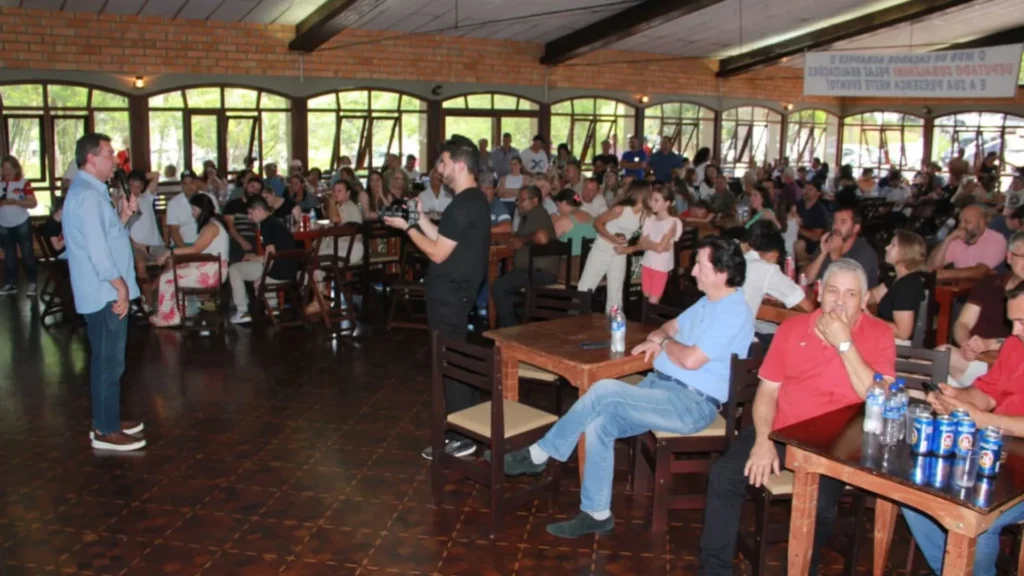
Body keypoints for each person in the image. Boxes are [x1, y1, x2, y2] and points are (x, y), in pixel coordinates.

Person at [498, 236, 754, 538]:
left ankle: (541, 453)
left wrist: (666, 343)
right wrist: (659, 337)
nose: (693, 272)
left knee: (604, 389)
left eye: (700, 265)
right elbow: (671, 325)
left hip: (691, 405)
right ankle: (596, 513)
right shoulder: (708, 302)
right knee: (600, 424)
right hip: (662, 389)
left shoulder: (733, 312)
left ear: (722, 273)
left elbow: (691, 360)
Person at [699, 258, 896, 574]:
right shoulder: (792, 329)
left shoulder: (879, 334)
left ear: (865, 299)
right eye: (833, 291)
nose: (840, 302)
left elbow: (880, 399)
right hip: (783, 431)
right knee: (723, 475)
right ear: (819, 292)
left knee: (819, 505)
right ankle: (714, 570)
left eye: (850, 294)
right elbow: (767, 392)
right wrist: (763, 439)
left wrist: (844, 343)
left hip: (837, 445)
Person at [382, 135, 491, 461]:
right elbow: (445, 238)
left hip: (450, 295)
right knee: (454, 358)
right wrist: (418, 218)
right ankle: (470, 425)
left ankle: (461, 438)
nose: (438, 169)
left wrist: (406, 228)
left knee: (449, 362)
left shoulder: (463, 204)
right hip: (456, 295)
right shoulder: (471, 201)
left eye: (442, 162)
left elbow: (438, 252)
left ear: (459, 165)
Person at [905, 283, 1024, 576]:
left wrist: (983, 420)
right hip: (1002, 454)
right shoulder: (1015, 346)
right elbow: (987, 393)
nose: (1016, 331)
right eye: (1014, 322)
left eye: (1023, 321)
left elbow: (986, 415)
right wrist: (956, 397)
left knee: (976, 524)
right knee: (916, 496)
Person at [62, 133, 145, 451]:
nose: (116, 160)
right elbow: (97, 251)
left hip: (101, 290)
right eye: (110, 154)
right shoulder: (89, 196)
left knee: (106, 359)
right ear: (91, 159)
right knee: (110, 361)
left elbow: (106, 238)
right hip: (104, 292)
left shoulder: (90, 192)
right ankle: (106, 430)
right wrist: (120, 285)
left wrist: (123, 217)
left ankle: (105, 418)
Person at [938, 230, 1024, 387]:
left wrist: (991, 344)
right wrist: (967, 344)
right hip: (978, 362)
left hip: (1012, 370)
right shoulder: (990, 284)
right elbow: (963, 323)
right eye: (1023, 256)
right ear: (1009, 257)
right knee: (940, 356)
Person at [148, 194, 230, 328]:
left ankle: (167, 317)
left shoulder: (211, 227)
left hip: (213, 272)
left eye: (194, 210)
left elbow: (196, 249)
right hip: (210, 268)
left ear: (203, 209)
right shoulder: (213, 224)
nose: (192, 214)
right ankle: (176, 313)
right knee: (171, 272)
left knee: (168, 278)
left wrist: (170, 251)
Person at [737, 224, 814, 349]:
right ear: (774, 253)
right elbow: (807, 306)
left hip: (723, 335)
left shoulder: (737, 259)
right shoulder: (767, 269)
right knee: (789, 339)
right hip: (742, 345)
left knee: (770, 328)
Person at [490, 185, 558, 327]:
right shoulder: (528, 216)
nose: (518, 203)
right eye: (518, 199)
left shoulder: (538, 213)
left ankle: (509, 331)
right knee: (505, 287)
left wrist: (521, 241)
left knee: (498, 287)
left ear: (534, 201)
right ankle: (516, 326)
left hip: (539, 272)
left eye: (522, 200)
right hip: (530, 270)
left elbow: (542, 237)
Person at [577, 181, 647, 313]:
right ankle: (575, 318)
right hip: (603, 246)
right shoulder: (619, 209)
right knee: (586, 285)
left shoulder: (644, 213)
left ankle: (613, 323)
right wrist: (612, 237)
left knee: (616, 291)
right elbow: (597, 223)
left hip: (620, 251)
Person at [228, 195, 297, 325]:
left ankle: (243, 312)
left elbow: (270, 254)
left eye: (250, 212)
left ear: (259, 209)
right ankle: (273, 307)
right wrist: (255, 258)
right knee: (253, 262)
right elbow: (275, 253)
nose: (249, 217)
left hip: (278, 273)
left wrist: (263, 277)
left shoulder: (266, 225)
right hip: (290, 270)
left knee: (234, 269)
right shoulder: (277, 222)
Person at [615, 184, 681, 304]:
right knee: (645, 302)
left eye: (656, 200)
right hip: (647, 264)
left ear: (667, 203)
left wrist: (652, 244)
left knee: (652, 303)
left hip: (660, 268)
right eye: (651, 199)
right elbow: (642, 242)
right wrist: (656, 245)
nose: (652, 203)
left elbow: (660, 247)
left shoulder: (673, 222)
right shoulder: (650, 219)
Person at [869, 230, 929, 344]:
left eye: (893, 245)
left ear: (904, 253)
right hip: (889, 339)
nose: (886, 247)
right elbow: (874, 295)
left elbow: (903, 333)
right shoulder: (898, 279)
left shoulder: (906, 286)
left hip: (899, 346)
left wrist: (870, 320)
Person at [803, 206, 879, 288]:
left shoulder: (865, 254)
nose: (836, 227)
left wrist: (836, 258)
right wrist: (822, 253)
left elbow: (850, 290)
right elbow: (805, 280)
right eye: (835, 222)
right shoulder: (828, 244)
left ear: (855, 228)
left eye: (843, 222)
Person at [927, 204, 1007, 281]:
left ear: (982, 223)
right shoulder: (958, 240)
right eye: (960, 222)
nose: (962, 226)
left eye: (967, 222)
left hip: (989, 290)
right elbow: (931, 268)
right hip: (960, 290)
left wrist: (945, 274)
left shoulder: (995, 239)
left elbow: (981, 271)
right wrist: (948, 239)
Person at [0, 155, 39, 295]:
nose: (6, 172)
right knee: (9, 256)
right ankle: (11, 283)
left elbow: (33, 203)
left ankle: (32, 283)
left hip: (22, 223)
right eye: (3, 169)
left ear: (16, 169)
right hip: (3, 224)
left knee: (27, 254)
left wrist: (15, 202)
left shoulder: (23, 183)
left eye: (9, 169)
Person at [125, 170, 166, 284]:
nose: (135, 190)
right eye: (132, 186)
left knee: (171, 262)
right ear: (128, 185)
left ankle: (155, 285)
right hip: (136, 247)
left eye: (139, 187)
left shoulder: (147, 197)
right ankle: (148, 300)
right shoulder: (123, 202)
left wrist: (138, 177)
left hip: (154, 245)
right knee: (140, 266)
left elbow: (156, 175)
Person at [223, 176, 263, 263]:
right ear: (245, 186)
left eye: (257, 189)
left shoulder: (260, 206)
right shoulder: (232, 205)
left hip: (257, 239)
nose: (254, 191)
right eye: (252, 186)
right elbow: (230, 228)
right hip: (238, 239)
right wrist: (243, 242)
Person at [166, 169, 200, 248]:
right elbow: (174, 232)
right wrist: (186, 251)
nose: (189, 186)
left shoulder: (206, 198)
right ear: (181, 185)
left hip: (203, 244)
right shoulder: (173, 203)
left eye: (192, 183)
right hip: (182, 245)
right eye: (185, 184)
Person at [796, 181, 828, 260]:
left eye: (810, 190)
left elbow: (816, 237)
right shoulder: (798, 205)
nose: (806, 192)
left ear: (818, 193)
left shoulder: (819, 211)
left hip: (811, 244)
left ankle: (803, 267)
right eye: (805, 189)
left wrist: (797, 228)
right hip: (795, 236)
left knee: (799, 245)